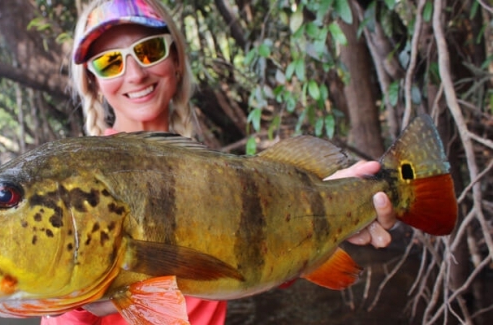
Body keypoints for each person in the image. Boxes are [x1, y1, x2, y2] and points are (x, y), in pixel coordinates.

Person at [42, 0, 396, 324]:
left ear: (176, 60)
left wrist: (341, 209)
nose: (135, 74)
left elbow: (254, 265)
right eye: (109, 61)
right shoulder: (74, 187)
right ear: (93, 81)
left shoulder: (217, 172)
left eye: (149, 50)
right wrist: (75, 304)